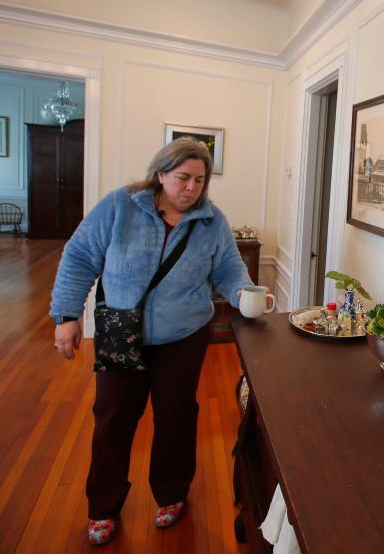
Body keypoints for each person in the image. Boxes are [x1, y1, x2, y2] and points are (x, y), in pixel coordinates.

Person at [50, 137, 270, 546]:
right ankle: (103, 506)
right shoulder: (120, 206)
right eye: (182, 178)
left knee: (176, 417)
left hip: (182, 336)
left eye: (199, 180)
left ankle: (171, 495)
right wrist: (65, 316)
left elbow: (229, 269)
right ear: (160, 173)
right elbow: (79, 256)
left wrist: (244, 295)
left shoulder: (212, 221)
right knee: (114, 419)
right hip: (120, 330)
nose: (191, 188)